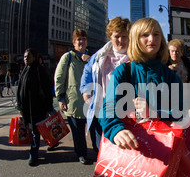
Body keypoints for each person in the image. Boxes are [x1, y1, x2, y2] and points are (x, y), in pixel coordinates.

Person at [99, 17, 184, 177]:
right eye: (146, 35)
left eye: (157, 34)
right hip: (133, 145)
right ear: (136, 39)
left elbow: (181, 114)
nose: (152, 39)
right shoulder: (123, 72)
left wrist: (156, 111)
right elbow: (107, 109)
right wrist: (116, 130)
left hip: (163, 146)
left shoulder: (169, 75)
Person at [80, 17, 131, 152]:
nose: (121, 40)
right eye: (117, 36)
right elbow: (87, 70)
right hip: (101, 108)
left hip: (126, 110)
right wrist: (86, 91)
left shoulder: (136, 56)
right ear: (110, 36)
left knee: (124, 148)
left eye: (124, 36)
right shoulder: (101, 55)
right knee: (102, 148)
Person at [54, 29, 91, 164]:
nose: (81, 42)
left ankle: (97, 151)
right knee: (78, 131)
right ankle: (81, 154)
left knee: (93, 128)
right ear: (74, 42)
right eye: (79, 39)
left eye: (84, 39)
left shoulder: (91, 57)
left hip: (90, 100)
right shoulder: (68, 57)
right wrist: (60, 98)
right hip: (74, 100)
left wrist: (91, 60)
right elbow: (59, 78)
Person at [16, 48, 55, 166]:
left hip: (38, 107)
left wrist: (48, 106)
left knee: (35, 130)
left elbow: (48, 89)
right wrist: (19, 106)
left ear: (34, 57)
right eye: (24, 57)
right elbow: (19, 89)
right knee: (38, 129)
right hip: (27, 108)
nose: (25, 59)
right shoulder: (24, 70)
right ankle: (52, 142)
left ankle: (33, 153)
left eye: (28, 56)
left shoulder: (39, 70)